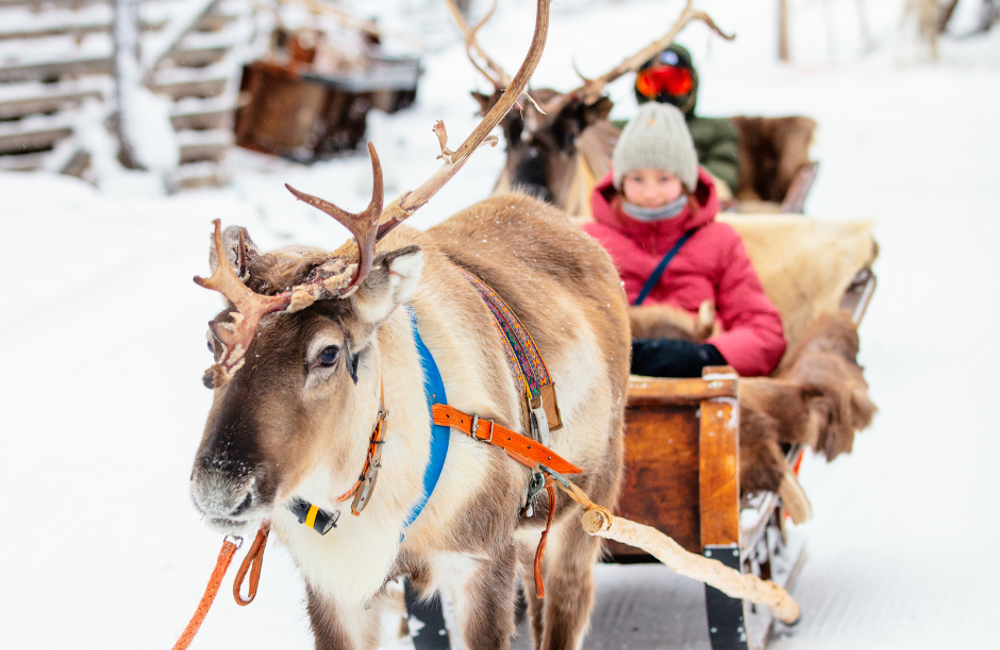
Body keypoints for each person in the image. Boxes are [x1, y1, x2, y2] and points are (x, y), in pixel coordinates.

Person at [581, 101, 786, 378]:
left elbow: (765, 332)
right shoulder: (589, 242)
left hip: (697, 385)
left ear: (685, 181)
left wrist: (706, 356)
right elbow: (561, 322)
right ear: (619, 180)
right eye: (637, 179)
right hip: (608, 382)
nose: (650, 193)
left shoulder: (720, 241)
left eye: (664, 179)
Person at [632, 44, 740, 201]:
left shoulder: (717, 129)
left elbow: (723, 178)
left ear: (692, 84)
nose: (664, 93)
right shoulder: (622, 132)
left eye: (675, 82)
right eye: (653, 83)